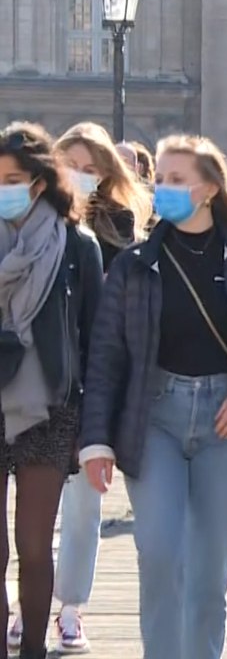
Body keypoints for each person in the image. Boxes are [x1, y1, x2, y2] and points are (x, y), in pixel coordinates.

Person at [79, 134, 227, 659]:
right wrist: (96, 441)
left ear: (208, 189)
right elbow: (106, 355)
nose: (163, 188)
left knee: (208, 572)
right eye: (159, 178)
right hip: (153, 417)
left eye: (177, 179)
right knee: (159, 554)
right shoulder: (135, 264)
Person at [0, 123, 104, 659]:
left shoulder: (77, 246)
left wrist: (93, 425)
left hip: (49, 407)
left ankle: (34, 650)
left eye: (12, 180)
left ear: (39, 182)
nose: (3, 190)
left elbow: (95, 338)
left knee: (35, 545)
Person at [55, 122, 151, 271]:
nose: (78, 174)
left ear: (103, 176)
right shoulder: (43, 212)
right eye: (71, 165)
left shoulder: (118, 219)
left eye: (89, 170)